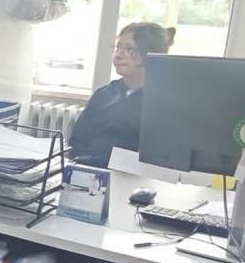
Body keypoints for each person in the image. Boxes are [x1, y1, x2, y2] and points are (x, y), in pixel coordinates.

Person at [70, 21, 176, 168]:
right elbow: (77, 141)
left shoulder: (163, 103)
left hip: (134, 176)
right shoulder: (104, 94)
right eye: (118, 48)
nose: (118, 55)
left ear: (150, 53)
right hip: (89, 171)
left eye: (129, 49)